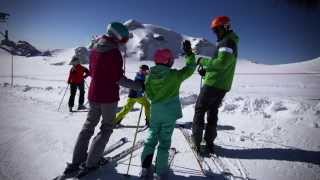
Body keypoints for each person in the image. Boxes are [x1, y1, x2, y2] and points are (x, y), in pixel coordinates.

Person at [62, 22, 142, 178]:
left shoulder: (94, 49)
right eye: (124, 39)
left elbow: (93, 71)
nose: (124, 42)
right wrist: (137, 86)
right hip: (108, 97)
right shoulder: (113, 53)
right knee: (106, 129)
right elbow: (118, 78)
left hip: (93, 95)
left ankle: (76, 162)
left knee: (88, 128)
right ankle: (90, 164)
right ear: (118, 36)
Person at [140, 45, 196, 179]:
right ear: (168, 61)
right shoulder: (174, 75)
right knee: (164, 142)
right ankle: (159, 173)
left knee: (151, 138)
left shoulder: (149, 76)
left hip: (156, 112)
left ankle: (144, 168)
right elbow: (189, 69)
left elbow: (148, 94)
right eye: (171, 60)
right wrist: (190, 55)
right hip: (169, 114)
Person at [192, 16, 239, 154]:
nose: (216, 33)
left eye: (217, 30)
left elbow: (221, 63)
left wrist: (202, 62)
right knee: (212, 112)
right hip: (221, 84)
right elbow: (223, 65)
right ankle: (209, 143)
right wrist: (206, 72)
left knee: (200, 110)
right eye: (214, 31)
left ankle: (196, 141)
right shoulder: (230, 41)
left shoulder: (227, 42)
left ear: (226, 27)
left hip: (213, 84)